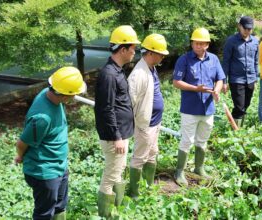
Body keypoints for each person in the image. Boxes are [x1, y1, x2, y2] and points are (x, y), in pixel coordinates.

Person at [15, 66, 87, 220]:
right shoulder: (42, 117)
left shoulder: (50, 93)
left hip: (59, 166)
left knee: (60, 206)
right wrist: (20, 156)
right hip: (45, 172)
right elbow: (21, 143)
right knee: (45, 213)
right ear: (65, 95)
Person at [94, 25, 140, 217]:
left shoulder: (118, 70)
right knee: (111, 175)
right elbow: (105, 109)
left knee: (118, 170)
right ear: (123, 49)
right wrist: (117, 136)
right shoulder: (109, 74)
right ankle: (106, 213)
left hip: (121, 133)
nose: (134, 52)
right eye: (132, 49)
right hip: (115, 136)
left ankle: (117, 208)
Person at [172, 27, 225, 186]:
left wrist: (216, 89)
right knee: (187, 140)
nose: (199, 46)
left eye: (202, 44)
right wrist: (196, 89)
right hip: (190, 108)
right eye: (196, 43)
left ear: (207, 44)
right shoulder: (184, 59)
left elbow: (220, 78)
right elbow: (176, 82)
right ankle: (179, 171)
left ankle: (199, 168)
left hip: (208, 108)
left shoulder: (214, 59)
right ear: (192, 43)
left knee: (202, 140)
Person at [127, 33, 169, 198]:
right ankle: (134, 193)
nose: (162, 57)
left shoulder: (151, 68)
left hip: (155, 122)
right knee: (139, 157)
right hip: (145, 124)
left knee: (152, 154)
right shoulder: (138, 75)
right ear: (150, 53)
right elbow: (130, 103)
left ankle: (148, 186)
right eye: (160, 54)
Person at [222, 16, 259, 128]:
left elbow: (256, 61)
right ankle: (235, 130)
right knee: (239, 106)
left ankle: (239, 126)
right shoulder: (231, 41)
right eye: (245, 28)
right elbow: (226, 62)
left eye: (250, 29)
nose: (247, 31)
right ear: (239, 26)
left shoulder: (255, 42)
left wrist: (255, 79)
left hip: (251, 79)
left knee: (246, 105)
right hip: (236, 79)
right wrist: (224, 81)